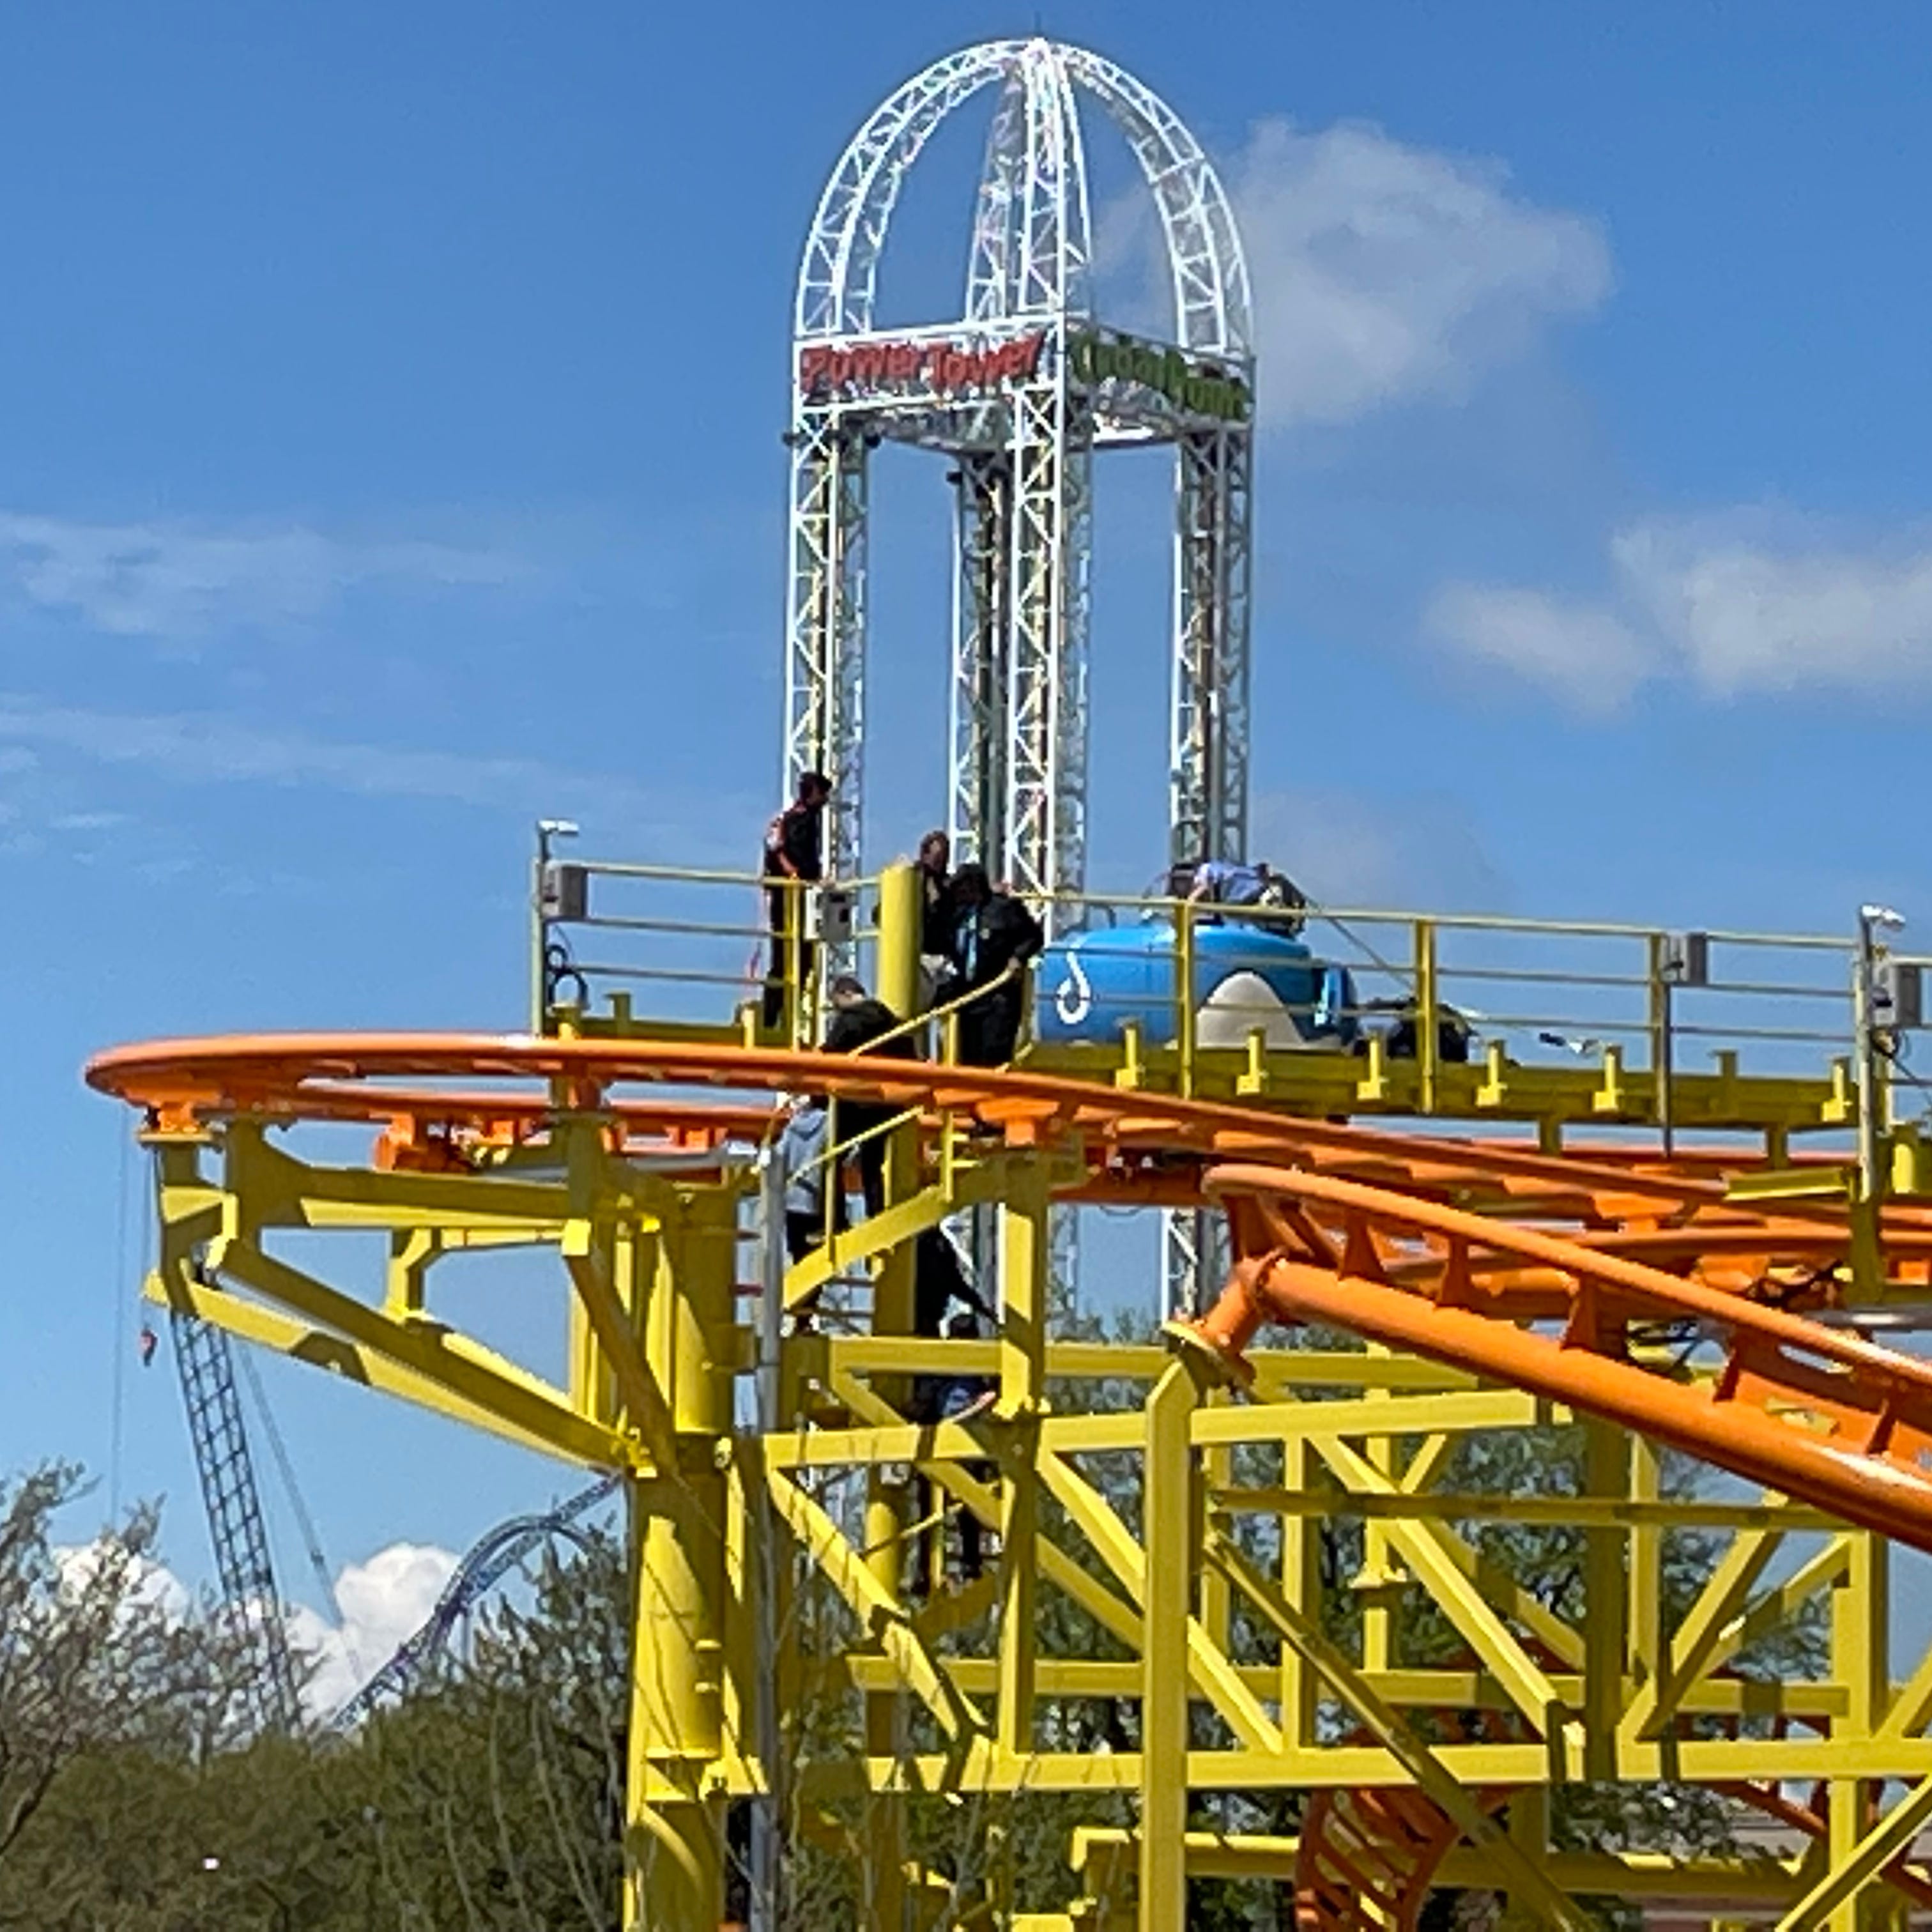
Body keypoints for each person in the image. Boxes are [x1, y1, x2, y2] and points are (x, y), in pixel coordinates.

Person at [823, 974, 917, 1216]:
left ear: (845, 995)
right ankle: (877, 1213)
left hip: (856, 1101)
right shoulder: (894, 1022)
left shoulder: (849, 1021)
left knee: (831, 1158)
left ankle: (835, 1218)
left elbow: (830, 1056)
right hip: (888, 1103)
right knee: (872, 1163)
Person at [939, 864, 1043, 1066]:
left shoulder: (1003, 909)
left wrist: (1018, 958)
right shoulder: (956, 915)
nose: (959, 892)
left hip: (998, 995)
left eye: (962, 887)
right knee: (968, 1055)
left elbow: (1033, 936)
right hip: (968, 995)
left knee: (992, 1053)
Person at [762, 770, 832, 1029]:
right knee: (788, 959)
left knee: (798, 959)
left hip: (797, 895)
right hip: (790, 896)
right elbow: (785, 854)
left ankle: (783, 1018)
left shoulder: (799, 820)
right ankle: (774, 1018)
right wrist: (804, 877)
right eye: (822, 794)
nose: (825, 800)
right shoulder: (796, 821)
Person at [777, 1095, 844, 1263]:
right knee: (817, 1257)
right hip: (818, 1200)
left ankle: (802, 1285)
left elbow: (779, 1157)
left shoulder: (792, 1128)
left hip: (793, 1198)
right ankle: (812, 1286)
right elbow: (843, 1156)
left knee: (798, 1253)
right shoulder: (830, 1123)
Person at [916, 829, 956, 1008]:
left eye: (945, 856)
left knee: (952, 1009)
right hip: (919, 955)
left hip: (943, 955)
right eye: (938, 856)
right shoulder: (911, 880)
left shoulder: (949, 885)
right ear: (925, 855)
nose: (941, 862)